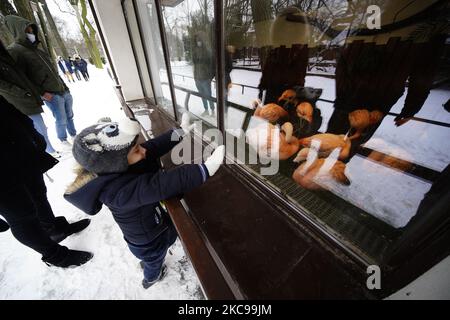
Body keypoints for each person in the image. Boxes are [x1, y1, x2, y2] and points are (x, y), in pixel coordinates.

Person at [64, 114, 225, 288]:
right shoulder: (117, 192)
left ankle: (149, 263)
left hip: (151, 225)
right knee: (155, 260)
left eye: (138, 145)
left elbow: (153, 147)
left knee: (161, 246)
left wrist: (180, 132)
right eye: (136, 150)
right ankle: (151, 277)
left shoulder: (116, 163)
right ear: (116, 163)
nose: (143, 150)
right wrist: (204, 169)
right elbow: (159, 185)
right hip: (148, 241)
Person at [0, 95, 93, 268]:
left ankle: (53, 229)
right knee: (22, 217)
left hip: (17, 149)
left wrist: (32, 133)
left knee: (38, 195)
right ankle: (55, 256)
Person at [5, 15, 77, 147]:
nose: (31, 33)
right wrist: (41, 93)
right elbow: (23, 78)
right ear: (18, 31)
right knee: (61, 119)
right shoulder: (15, 51)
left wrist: (65, 86)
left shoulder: (37, 49)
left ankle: (74, 135)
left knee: (70, 115)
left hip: (62, 90)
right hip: (50, 94)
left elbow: (52, 71)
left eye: (32, 30)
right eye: (27, 31)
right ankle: (63, 140)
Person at [0, 39, 60, 158]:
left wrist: (34, 92)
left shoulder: (7, 56)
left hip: (28, 98)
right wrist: (22, 93)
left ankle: (47, 149)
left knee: (40, 126)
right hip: (18, 101)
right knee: (38, 127)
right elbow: (3, 85)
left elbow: (24, 78)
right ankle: (47, 150)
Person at [191, 30, 215, 117]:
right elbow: (195, 65)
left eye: (200, 40)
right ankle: (206, 110)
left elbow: (212, 64)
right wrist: (195, 77)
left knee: (208, 95)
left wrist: (210, 77)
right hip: (198, 78)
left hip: (205, 78)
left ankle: (212, 110)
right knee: (202, 95)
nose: (198, 42)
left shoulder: (207, 51)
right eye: (197, 40)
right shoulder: (195, 51)